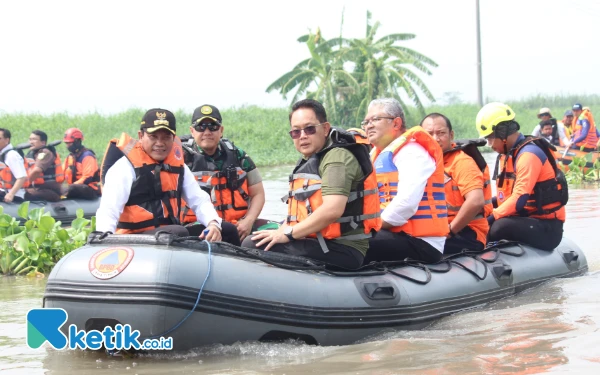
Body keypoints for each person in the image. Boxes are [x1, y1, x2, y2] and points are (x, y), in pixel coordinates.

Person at [242, 99, 381, 269]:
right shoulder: (313, 157)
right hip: (319, 241)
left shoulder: (337, 158)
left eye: (309, 129)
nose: (303, 136)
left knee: (252, 245)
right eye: (295, 132)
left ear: (325, 129)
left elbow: (332, 210)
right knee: (257, 236)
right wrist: (283, 229)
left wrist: (288, 234)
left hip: (343, 248)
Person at [96, 108, 223, 241]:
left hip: (168, 234)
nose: (160, 143)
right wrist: (104, 237)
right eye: (153, 137)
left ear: (173, 138)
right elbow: (109, 209)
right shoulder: (124, 167)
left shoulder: (179, 167)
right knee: (178, 231)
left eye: (166, 137)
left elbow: (199, 200)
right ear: (141, 136)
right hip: (133, 238)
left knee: (226, 229)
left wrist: (213, 223)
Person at [362, 98, 448, 264]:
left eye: (376, 119)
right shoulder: (375, 156)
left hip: (421, 242)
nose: (369, 125)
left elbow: (406, 203)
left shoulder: (412, 152)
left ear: (396, 123)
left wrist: (370, 227)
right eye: (366, 122)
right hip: (392, 232)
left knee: (353, 243)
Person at [476, 102, 567, 251]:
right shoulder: (509, 154)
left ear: (502, 132)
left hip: (546, 227)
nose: (490, 145)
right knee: (482, 211)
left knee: (498, 227)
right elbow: (503, 198)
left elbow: (519, 199)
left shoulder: (529, 155)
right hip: (524, 218)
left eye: (491, 138)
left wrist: (490, 218)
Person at [180, 104, 264, 244]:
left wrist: (248, 221)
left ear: (221, 130)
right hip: (198, 227)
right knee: (225, 229)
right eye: (201, 127)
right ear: (192, 131)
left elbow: (258, 193)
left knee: (273, 229)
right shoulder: (180, 159)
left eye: (213, 126)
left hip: (239, 225)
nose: (207, 132)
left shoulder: (239, 156)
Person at [421, 113, 492, 254]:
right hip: (435, 228)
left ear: (451, 135)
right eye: (429, 134)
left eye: (441, 133)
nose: (435, 139)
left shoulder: (461, 162)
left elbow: (476, 201)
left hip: (466, 231)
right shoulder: (423, 163)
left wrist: (450, 231)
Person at [24, 130, 64, 202]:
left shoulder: (45, 153)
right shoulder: (31, 153)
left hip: (49, 189)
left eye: (34, 139)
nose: (31, 142)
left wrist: (23, 184)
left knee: (24, 194)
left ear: (43, 142)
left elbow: (37, 171)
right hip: (39, 187)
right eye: (30, 139)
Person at [62, 128, 101, 200]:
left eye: (69, 143)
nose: (67, 146)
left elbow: (87, 178)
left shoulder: (87, 156)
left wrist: (71, 186)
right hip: (74, 187)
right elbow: (61, 174)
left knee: (71, 188)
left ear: (77, 142)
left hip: (89, 188)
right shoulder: (70, 157)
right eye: (66, 143)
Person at [0, 128, 28, 203]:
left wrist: (11, 194)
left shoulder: (12, 155)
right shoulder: (2, 155)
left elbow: (22, 177)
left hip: (14, 194)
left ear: (7, 140)